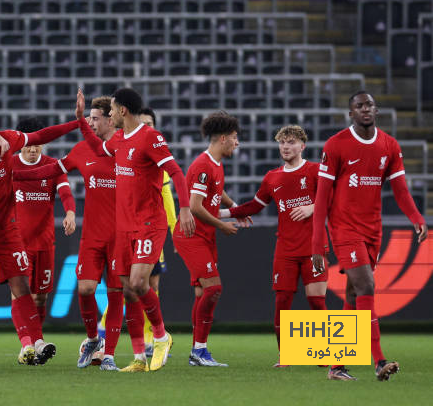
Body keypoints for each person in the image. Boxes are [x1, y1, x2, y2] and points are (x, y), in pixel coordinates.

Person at [312, 91, 428, 381]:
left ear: (376, 110)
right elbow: (322, 198)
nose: (366, 109)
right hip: (344, 229)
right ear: (351, 113)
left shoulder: (389, 145)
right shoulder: (335, 145)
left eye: (370, 105)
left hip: (372, 230)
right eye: (359, 106)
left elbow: (400, 189)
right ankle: (379, 361)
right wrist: (317, 245)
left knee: (353, 295)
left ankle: (336, 366)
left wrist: (416, 218)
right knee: (366, 286)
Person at [77, 88, 196, 372]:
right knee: (129, 290)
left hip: (149, 224)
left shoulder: (150, 138)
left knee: (141, 283)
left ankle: (161, 336)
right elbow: (96, 148)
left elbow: (176, 172)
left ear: (123, 112)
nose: (109, 114)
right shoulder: (118, 139)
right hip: (124, 226)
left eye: (112, 110)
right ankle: (139, 358)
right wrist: (81, 120)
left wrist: (184, 208)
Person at [0, 106, 82, 368]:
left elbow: (41, 136)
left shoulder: (6, 142)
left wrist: (77, 123)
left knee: (22, 285)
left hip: (6, 230)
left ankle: (36, 342)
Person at [12, 97, 124, 371]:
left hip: (117, 236)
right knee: (77, 289)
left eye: (94, 118)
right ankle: (34, 342)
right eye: (89, 118)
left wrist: (71, 212)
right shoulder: (80, 150)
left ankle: (111, 353)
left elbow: (63, 190)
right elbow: (56, 172)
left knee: (119, 292)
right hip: (60, 239)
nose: (90, 123)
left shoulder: (126, 149)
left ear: (111, 119)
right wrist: (5, 173)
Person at [228, 125, 328, 367]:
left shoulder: (315, 171)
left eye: (291, 142)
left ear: (302, 146)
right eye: (282, 142)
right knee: (282, 302)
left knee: (317, 301)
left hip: (314, 249)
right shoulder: (272, 177)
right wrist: (218, 212)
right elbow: (253, 206)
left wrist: (312, 207)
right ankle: (287, 356)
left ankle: (326, 356)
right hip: (285, 250)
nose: (286, 146)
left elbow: (334, 198)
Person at [173, 112, 243, 367]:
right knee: (214, 289)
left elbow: (217, 190)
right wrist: (222, 225)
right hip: (192, 236)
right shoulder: (202, 166)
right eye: (235, 138)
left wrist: (235, 208)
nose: (237, 143)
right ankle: (199, 351)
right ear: (223, 138)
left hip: (204, 235)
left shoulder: (215, 164)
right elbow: (194, 206)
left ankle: (197, 351)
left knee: (203, 292)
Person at [11, 117, 77, 364]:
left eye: (36, 145)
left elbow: (65, 191)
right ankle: (27, 344)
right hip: (17, 243)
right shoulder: (10, 165)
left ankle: (35, 344)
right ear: (21, 144)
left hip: (45, 242)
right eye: (28, 145)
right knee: (20, 295)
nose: (32, 149)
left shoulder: (52, 166)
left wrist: (70, 212)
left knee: (40, 297)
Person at [139, 107, 177, 356]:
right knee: (128, 285)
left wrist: (176, 231)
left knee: (149, 284)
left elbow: (168, 200)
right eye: (142, 123)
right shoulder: (124, 152)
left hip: (152, 232)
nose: (146, 127)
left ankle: (150, 337)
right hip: (128, 230)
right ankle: (101, 333)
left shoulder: (161, 163)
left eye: (150, 123)